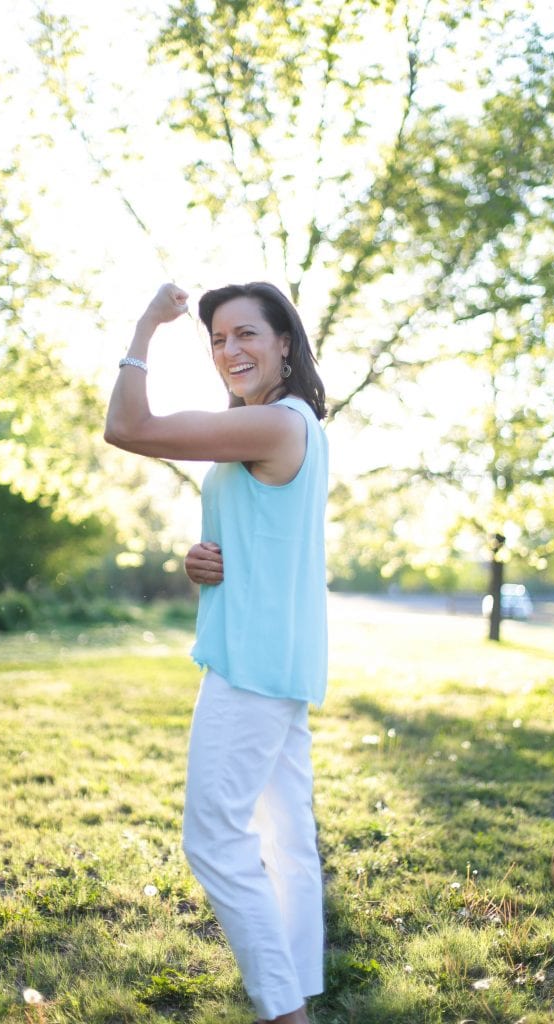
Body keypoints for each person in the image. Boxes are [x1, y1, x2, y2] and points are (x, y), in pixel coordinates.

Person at [104, 280, 329, 1024]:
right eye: (217, 338)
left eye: (246, 334)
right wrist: (203, 560)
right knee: (285, 837)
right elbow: (264, 539)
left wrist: (146, 324)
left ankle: (283, 1011)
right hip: (277, 658)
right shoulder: (282, 426)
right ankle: (298, 987)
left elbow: (127, 426)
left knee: (212, 841)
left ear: (285, 344)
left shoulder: (273, 425)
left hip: (251, 667)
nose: (229, 349)